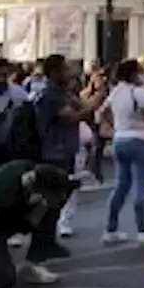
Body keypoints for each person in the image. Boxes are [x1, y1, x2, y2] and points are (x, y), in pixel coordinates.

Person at [0, 160, 79, 288]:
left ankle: (32, 262)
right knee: (4, 279)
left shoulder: (31, 170)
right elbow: (26, 225)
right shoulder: (4, 193)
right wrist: (39, 209)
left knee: (50, 209)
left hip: (8, 215)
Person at [32, 54, 104, 259]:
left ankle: (49, 241)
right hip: (53, 152)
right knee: (49, 199)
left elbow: (82, 106)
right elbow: (72, 115)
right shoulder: (50, 95)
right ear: (54, 72)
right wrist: (95, 100)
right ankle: (40, 244)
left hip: (65, 150)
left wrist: (96, 98)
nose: (69, 73)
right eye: (64, 69)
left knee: (59, 198)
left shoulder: (62, 92)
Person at [102, 58, 144, 244]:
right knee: (141, 185)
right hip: (143, 141)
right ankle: (142, 229)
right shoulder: (137, 92)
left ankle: (110, 228)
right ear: (133, 74)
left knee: (121, 186)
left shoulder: (116, 91)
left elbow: (103, 111)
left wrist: (116, 126)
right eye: (141, 71)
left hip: (120, 139)